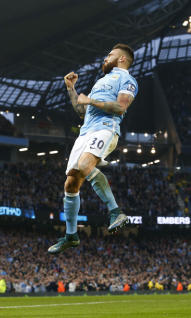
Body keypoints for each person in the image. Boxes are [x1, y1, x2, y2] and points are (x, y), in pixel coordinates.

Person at [48, 44, 138, 254]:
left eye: (110, 55)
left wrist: (90, 100)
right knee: (70, 185)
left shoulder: (127, 80)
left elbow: (120, 107)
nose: (105, 58)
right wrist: (71, 88)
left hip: (106, 129)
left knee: (85, 164)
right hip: (85, 133)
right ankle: (71, 236)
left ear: (122, 59)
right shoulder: (100, 81)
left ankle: (116, 212)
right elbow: (81, 110)